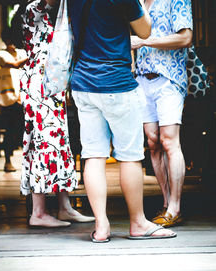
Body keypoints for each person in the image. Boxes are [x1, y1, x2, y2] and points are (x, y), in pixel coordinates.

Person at [68, 0, 176, 242]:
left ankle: (102, 226)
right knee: (130, 155)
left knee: (93, 155)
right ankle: (137, 222)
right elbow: (145, 31)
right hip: (117, 82)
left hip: (83, 83)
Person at [18, 0, 95, 227]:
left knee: (58, 142)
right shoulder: (36, 8)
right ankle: (39, 212)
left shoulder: (51, 11)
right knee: (43, 142)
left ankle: (64, 206)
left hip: (50, 81)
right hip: (41, 82)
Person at [131, 0, 193, 227]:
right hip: (142, 79)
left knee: (169, 141)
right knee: (153, 141)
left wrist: (145, 41)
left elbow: (186, 37)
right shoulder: (137, 2)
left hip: (169, 78)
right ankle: (167, 204)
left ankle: (176, 207)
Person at [0, 30, 28, 172]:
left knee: (24, 131)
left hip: (24, 98)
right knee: (9, 131)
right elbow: (14, 65)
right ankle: (8, 161)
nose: (12, 45)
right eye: (9, 41)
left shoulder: (22, 52)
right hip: (8, 99)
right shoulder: (1, 55)